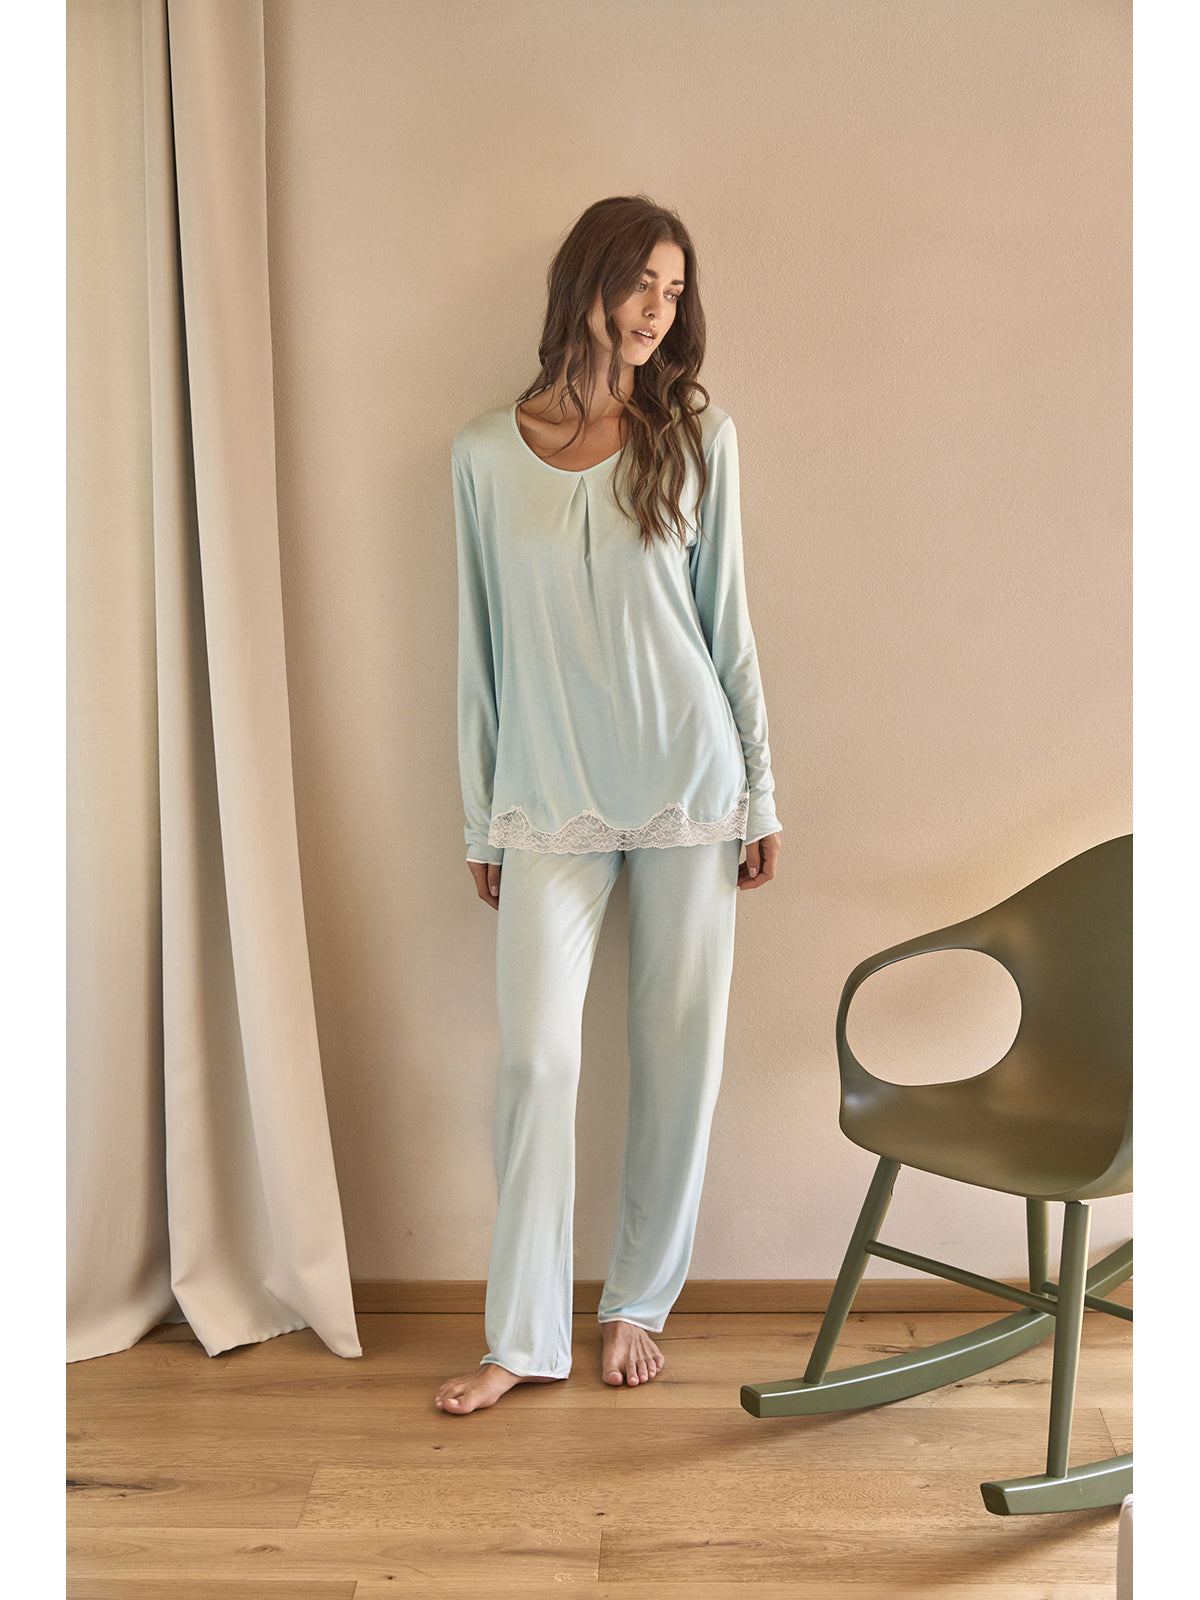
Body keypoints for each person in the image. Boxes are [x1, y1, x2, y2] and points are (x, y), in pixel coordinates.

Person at [436, 194, 783, 1415]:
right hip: (547, 798)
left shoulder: (696, 435)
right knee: (536, 1060)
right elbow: (477, 650)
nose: (657, 310)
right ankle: (521, 1337)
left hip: (691, 785)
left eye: (675, 291)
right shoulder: (484, 454)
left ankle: (638, 1299)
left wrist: (761, 790)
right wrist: (481, 816)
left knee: (678, 1057)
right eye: (641, 282)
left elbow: (727, 626)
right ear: (585, 280)